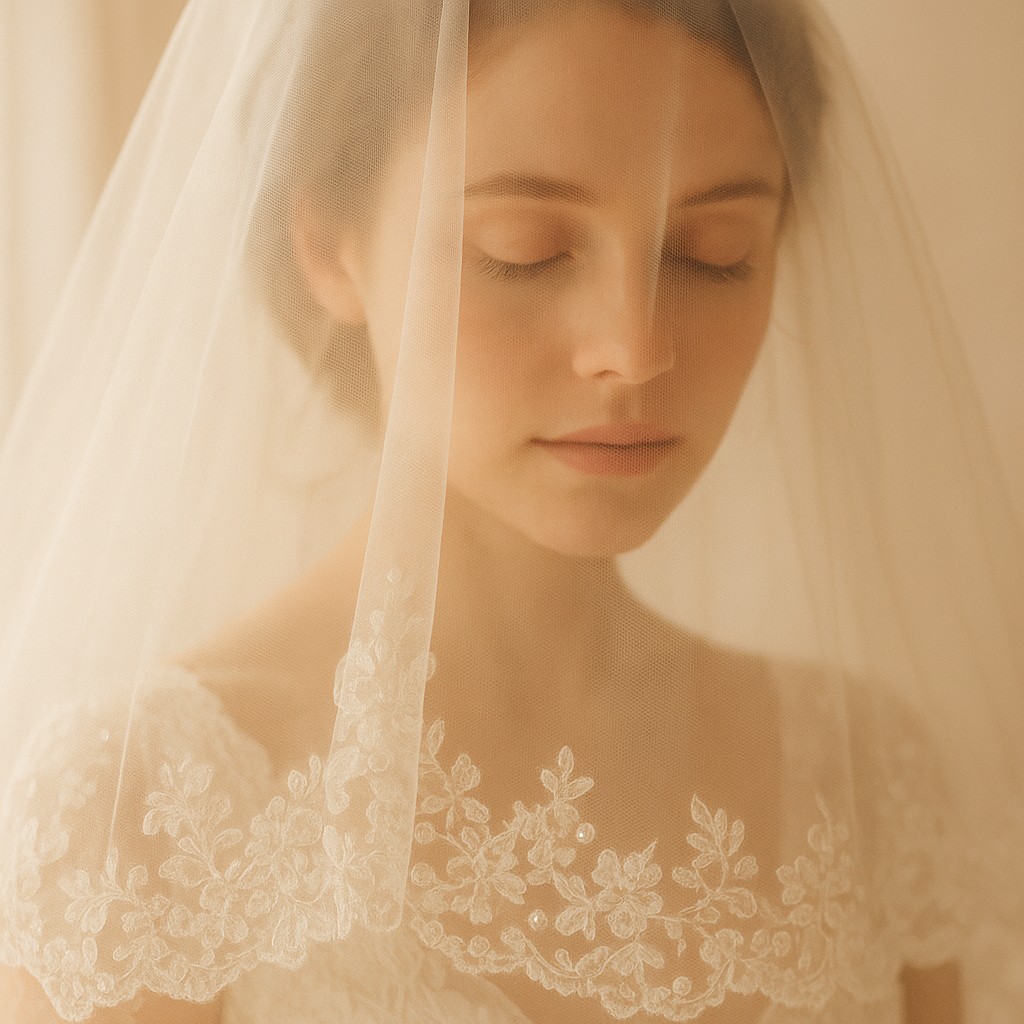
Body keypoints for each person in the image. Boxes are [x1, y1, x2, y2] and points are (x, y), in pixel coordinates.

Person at [0, 0, 1021, 1021]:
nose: (634, 347)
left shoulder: (872, 788)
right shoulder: (144, 818)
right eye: (523, 248)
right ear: (328, 244)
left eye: (711, 250)